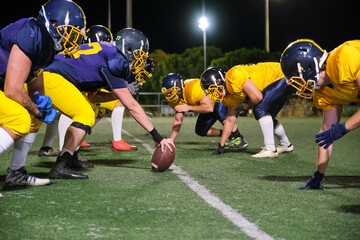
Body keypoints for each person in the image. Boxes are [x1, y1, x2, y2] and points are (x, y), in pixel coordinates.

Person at [27, 27, 174, 180]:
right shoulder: (117, 59)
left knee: (90, 109)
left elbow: (93, 97)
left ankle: (71, 156)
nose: (140, 61)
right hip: (50, 78)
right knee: (85, 114)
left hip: (51, 76)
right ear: (128, 50)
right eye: (140, 55)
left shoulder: (107, 52)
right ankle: (61, 165)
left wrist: (113, 93)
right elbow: (132, 106)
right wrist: (157, 136)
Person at [0, 0, 86, 187]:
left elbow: (35, 84)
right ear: (54, 23)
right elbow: (12, 89)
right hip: (4, 86)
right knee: (19, 118)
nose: (71, 40)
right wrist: (37, 110)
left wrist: (41, 105)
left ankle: (16, 174)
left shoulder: (45, 45)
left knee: (33, 118)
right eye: (70, 32)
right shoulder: (32, 32)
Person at [280, 39, 360, 190]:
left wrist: (344, 127)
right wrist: (318, 175)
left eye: (298, 80)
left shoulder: (345, 57)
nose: (300, 86)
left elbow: (338, 130)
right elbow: (326, 135)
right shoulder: (323, 93)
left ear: (309, 68)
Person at [201, 66, 296, 157]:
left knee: (260, 108)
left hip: (283, 75)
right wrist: (221, 145)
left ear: (219, 81)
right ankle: (286, 144)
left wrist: (246, 108)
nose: (214, 94)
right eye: (211, 92)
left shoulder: (233, 76)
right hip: (283, 79)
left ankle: (270, 149)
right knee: (268, 116)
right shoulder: (228, 97)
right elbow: (230, 120)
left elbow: (257, 97)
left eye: (213, 90)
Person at [161, 73, 247, 149]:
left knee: (219, 112)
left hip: (217, 98)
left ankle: (238, 137)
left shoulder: (192, 89)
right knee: (201, 130)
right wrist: (171, 140)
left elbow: (209, 108)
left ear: (179, 87)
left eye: (170, 92)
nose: (168, 95)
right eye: (167, 93)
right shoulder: (173, 100)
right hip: (206, 106)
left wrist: (189, 107)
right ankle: (229, 136)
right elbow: (178, 120)